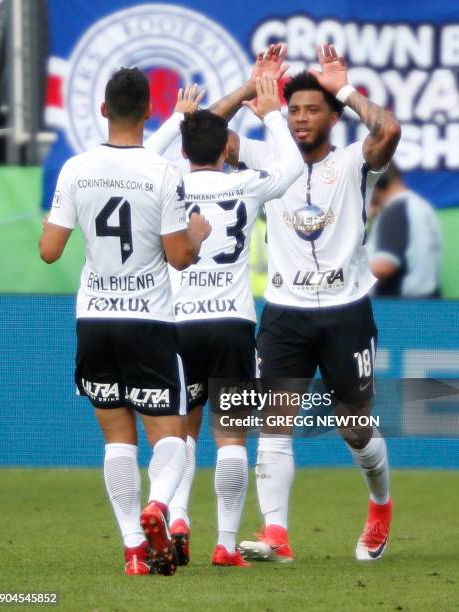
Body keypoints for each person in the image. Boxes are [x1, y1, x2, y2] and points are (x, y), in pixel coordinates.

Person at [210, 43, 401, 562]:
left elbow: (388, 132)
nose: (299, 119)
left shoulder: (354, 161)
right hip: (284, 312)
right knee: (274, 419)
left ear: (333, 117)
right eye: (293, 109)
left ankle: (380, 506)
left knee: (355, 425)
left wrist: (343, 87)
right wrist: (251, 89)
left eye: (313, 108)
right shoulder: (267, 158)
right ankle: (277, 535)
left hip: (346, 311)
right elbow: (199, 137)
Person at [38, 67, 210, 576]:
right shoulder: (163, 174)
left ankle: (134, 549)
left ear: (104, 109)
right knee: (172, 436)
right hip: (149, 321)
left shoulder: (75, 169)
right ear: (151, 111)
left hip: (95, 318)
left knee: (116, 437)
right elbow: (180, 258)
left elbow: (49, 251)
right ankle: (158, 506)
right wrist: (197, 234)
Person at [148, 76, 304, 566]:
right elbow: (294, 165)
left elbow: (145, 158)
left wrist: (176, 117)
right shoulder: (244, 183)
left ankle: (177, 517)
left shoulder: (163, 181)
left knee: (180, 432)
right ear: (227, 150)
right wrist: (271, 112)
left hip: (175, 325)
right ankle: (225, 544)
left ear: (183, 147)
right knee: (233, 435)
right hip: (232, 323)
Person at [366, 162, 442, 297]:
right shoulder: (417, 205)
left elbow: (384, 266)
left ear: (379, 180)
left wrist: (344, 272)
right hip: (422, 304)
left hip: (401, 309)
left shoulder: (396, 210)